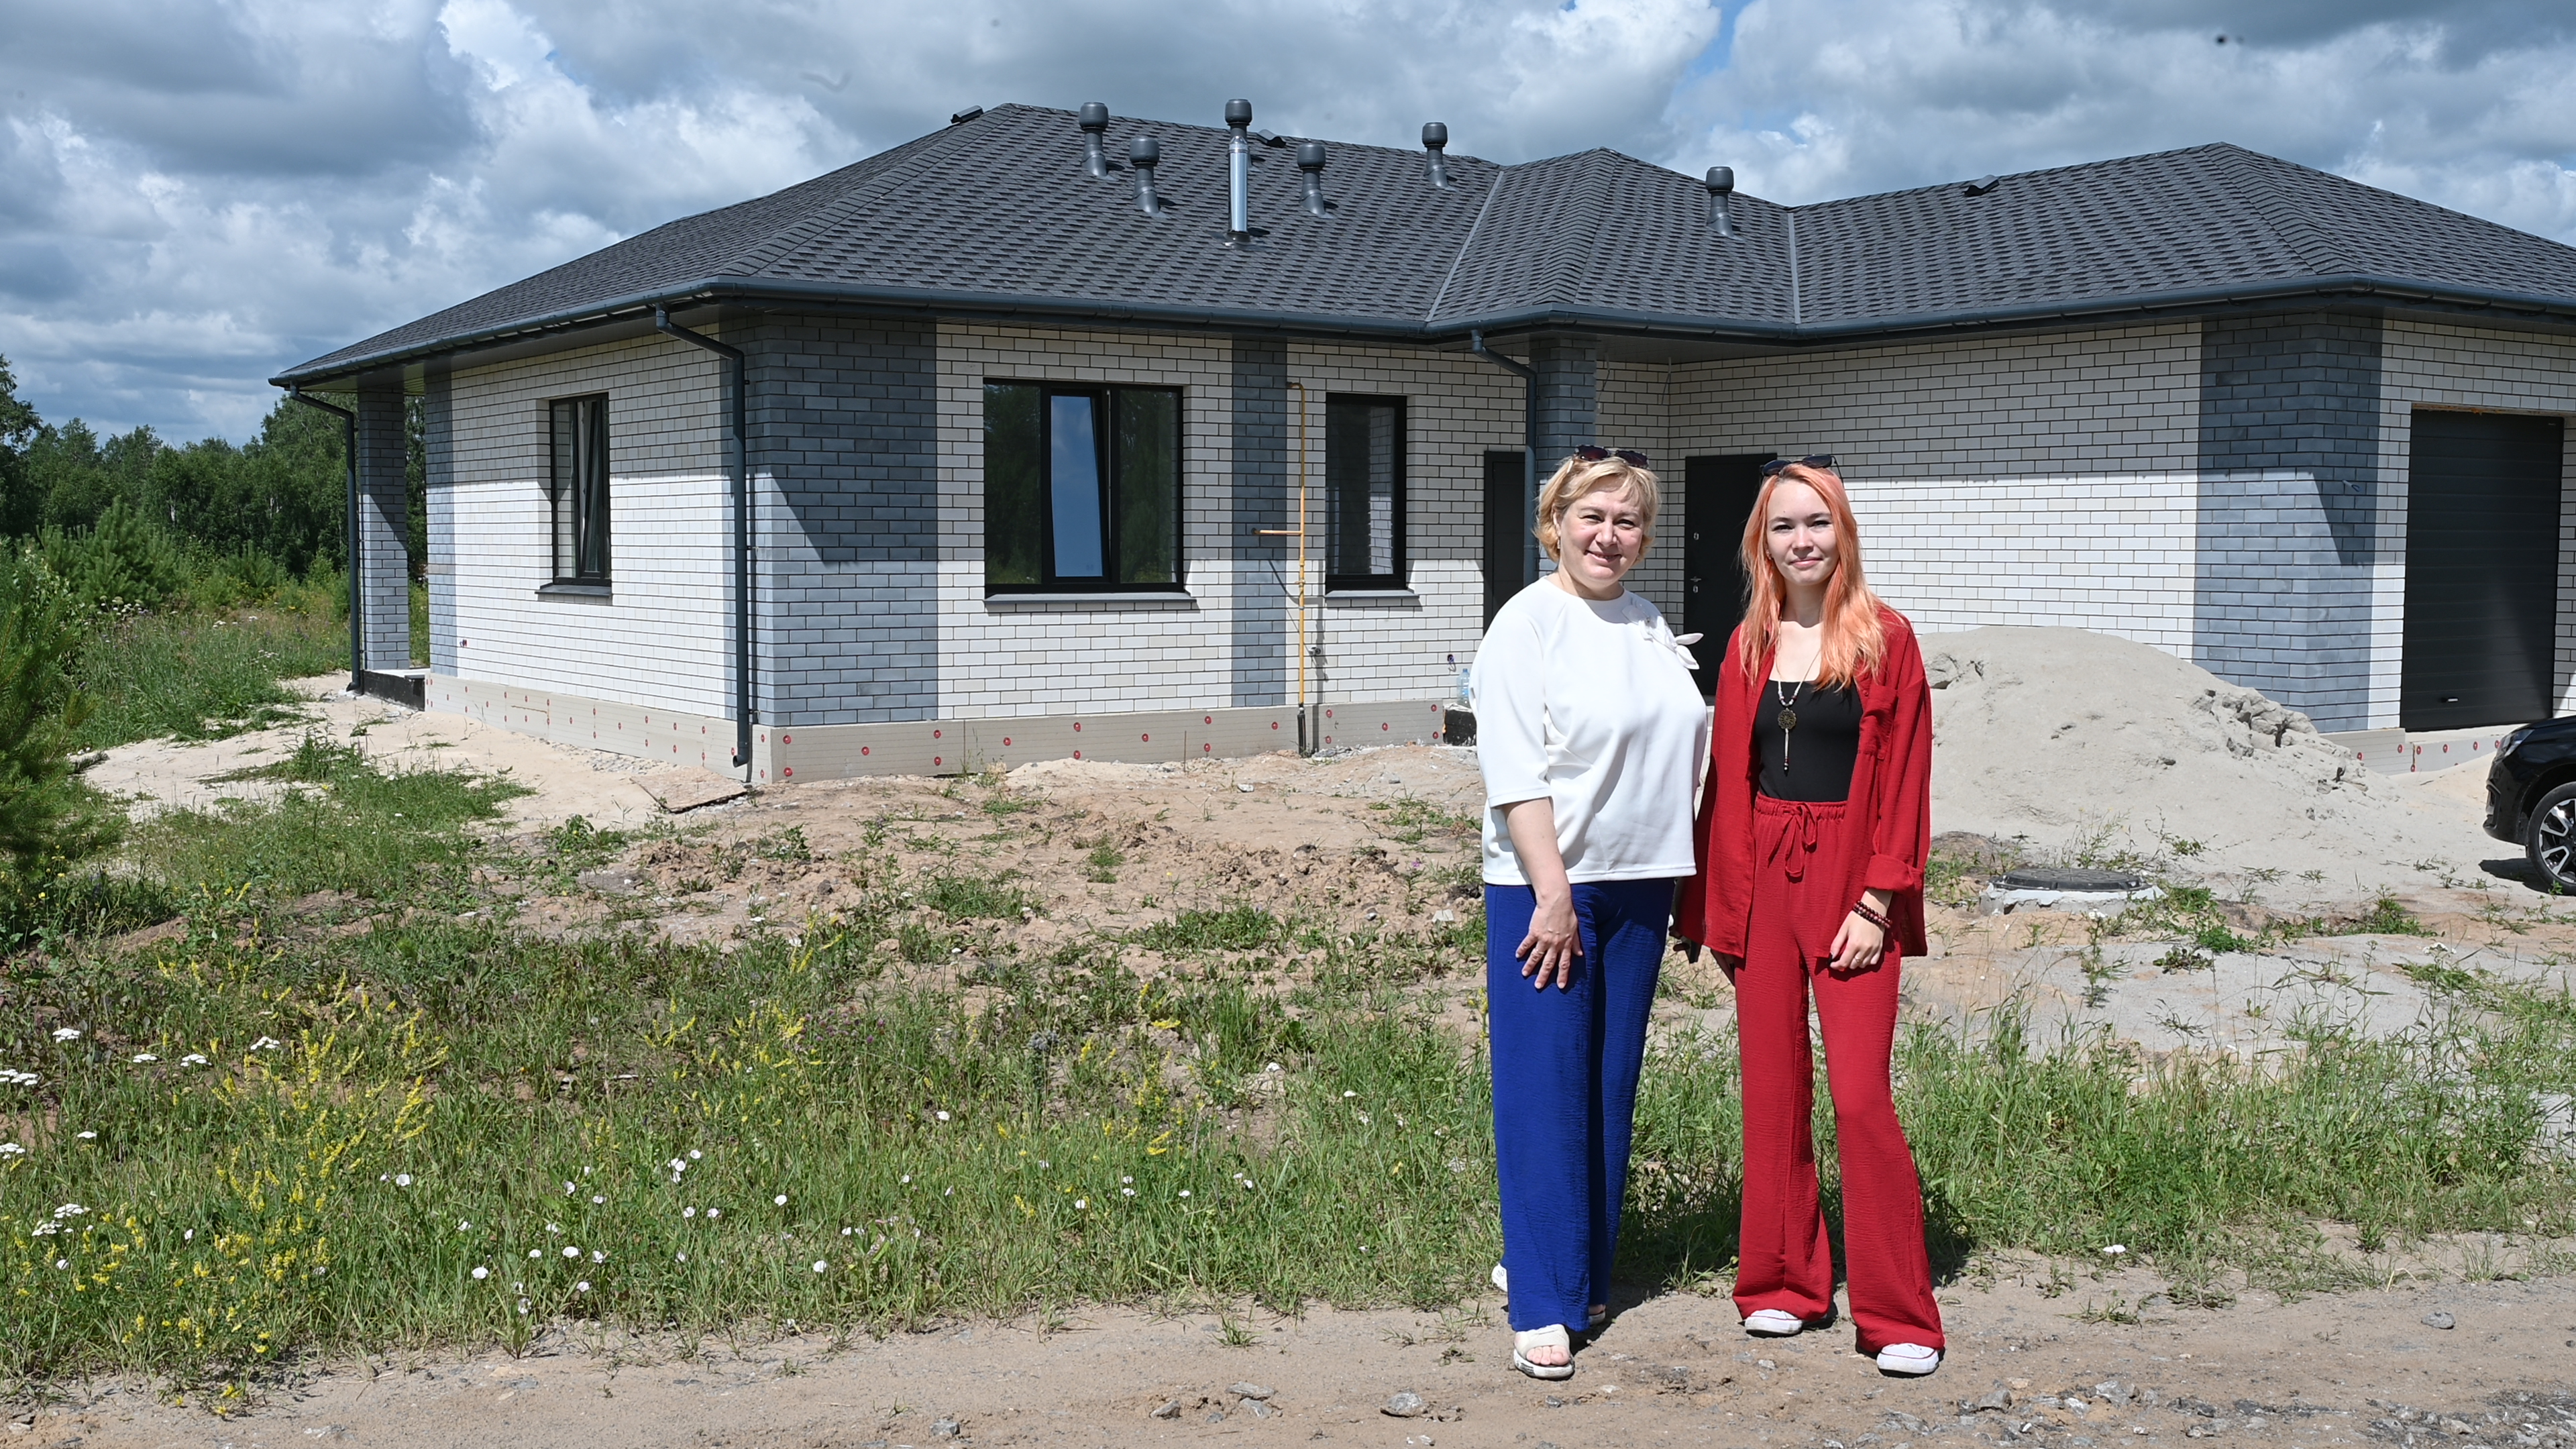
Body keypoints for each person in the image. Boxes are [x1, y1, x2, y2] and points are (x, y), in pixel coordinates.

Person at [1674, 455, 1945, 1377]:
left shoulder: (1886, 639)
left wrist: (1878, 899)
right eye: (1785, 526)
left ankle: (1897, 1313)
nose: (1803, 541)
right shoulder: (1748, 644)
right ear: (1763, 542)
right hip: (1761, 874)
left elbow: (1906, 778)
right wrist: (1715, 904)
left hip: (1850, 880)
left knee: (1860, 1095)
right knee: (1773, 1090)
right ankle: (1784, 1283)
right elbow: (1727, 782)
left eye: (1817, 523)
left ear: (1843, 533)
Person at [1473, 449, 1710, 1380]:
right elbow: (1515, 771)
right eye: (1593, 518)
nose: (1610, 536)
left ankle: (1582, 1275)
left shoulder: (1646, 621)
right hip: (1548, 890)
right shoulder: (1526, 623)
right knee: (1544, 1092)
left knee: (1608, 1088)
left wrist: (1689, 881)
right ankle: (1540, 1301)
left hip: (1644, 883)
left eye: (1628, 521)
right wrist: (1553, 894)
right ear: (1556, 525)